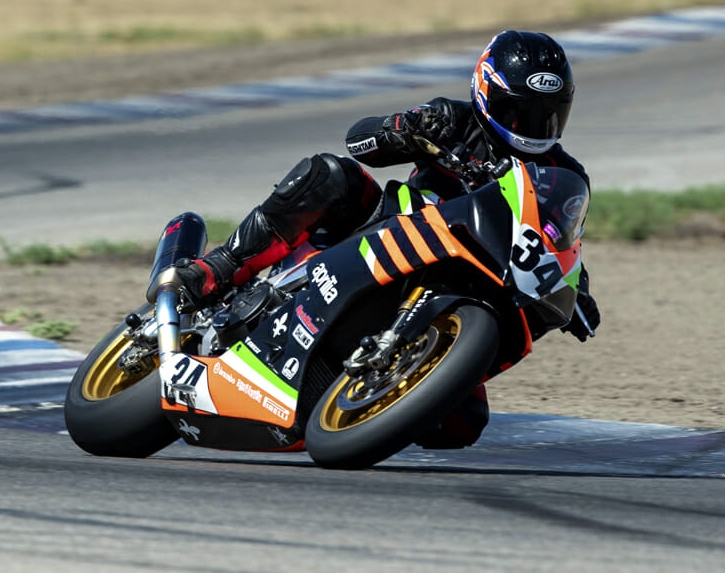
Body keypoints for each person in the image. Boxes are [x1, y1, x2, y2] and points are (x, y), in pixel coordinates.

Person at [176, 30, 600, 448]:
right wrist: (401, 128)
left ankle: (357, 391)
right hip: (392, 230)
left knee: (461, 426)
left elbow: (563, 239)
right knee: (333, 174)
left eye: (548, 113)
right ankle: (220, 267)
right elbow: (359, 141)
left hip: (469, 279)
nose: (533, 126)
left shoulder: (563, 174)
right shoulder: (452, 119)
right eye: (518, 111)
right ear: (486, 92)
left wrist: (577, 290)